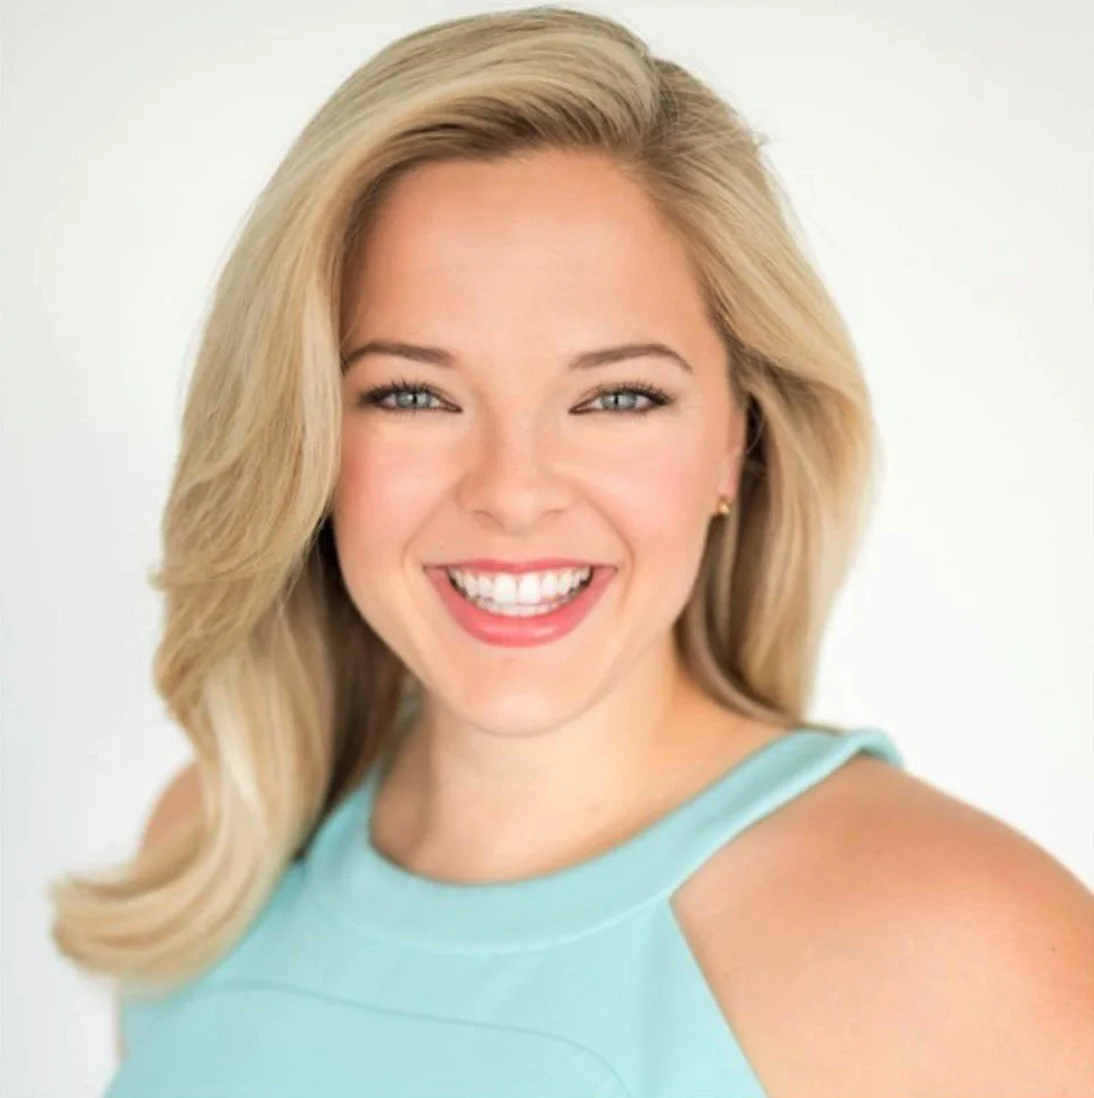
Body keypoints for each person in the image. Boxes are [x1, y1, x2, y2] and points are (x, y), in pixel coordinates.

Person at [50, 7, 1093, 1097]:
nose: (511, 493)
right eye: (412, 393)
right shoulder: (216, 851)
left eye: (614, 397)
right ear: (303, 435)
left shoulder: (957, 950)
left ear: (736, 438)